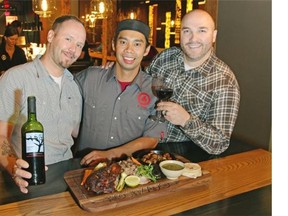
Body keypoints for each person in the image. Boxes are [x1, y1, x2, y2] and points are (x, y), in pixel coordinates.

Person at [0, 15, 86, 194]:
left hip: (70, 181)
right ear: (50, 36)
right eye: (68, 39)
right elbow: (1, 136)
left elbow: (76, 133)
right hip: (28, 182)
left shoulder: (74, 86)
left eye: (79, 45)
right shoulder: (16, 78)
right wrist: (13, 167)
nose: (73, 49)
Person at [145, 9, 240, 155]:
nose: (193, 38)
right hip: (140, 140)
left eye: (202, 31)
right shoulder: (166, 57)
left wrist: (186, 120)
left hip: (178, 156)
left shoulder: (224, 81)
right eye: (187, 31)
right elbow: (140, 85)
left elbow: (219, 143)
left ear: (214, 36)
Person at [74, 19, 166, 166]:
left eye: (137, 44)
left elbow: (152, 138)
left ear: (146, 50)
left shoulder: (155, 90)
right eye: (123, 42)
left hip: (129, 173)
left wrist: (109, 155)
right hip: (83, 169)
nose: (129, 50)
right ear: (113, 45)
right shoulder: (89, 78)